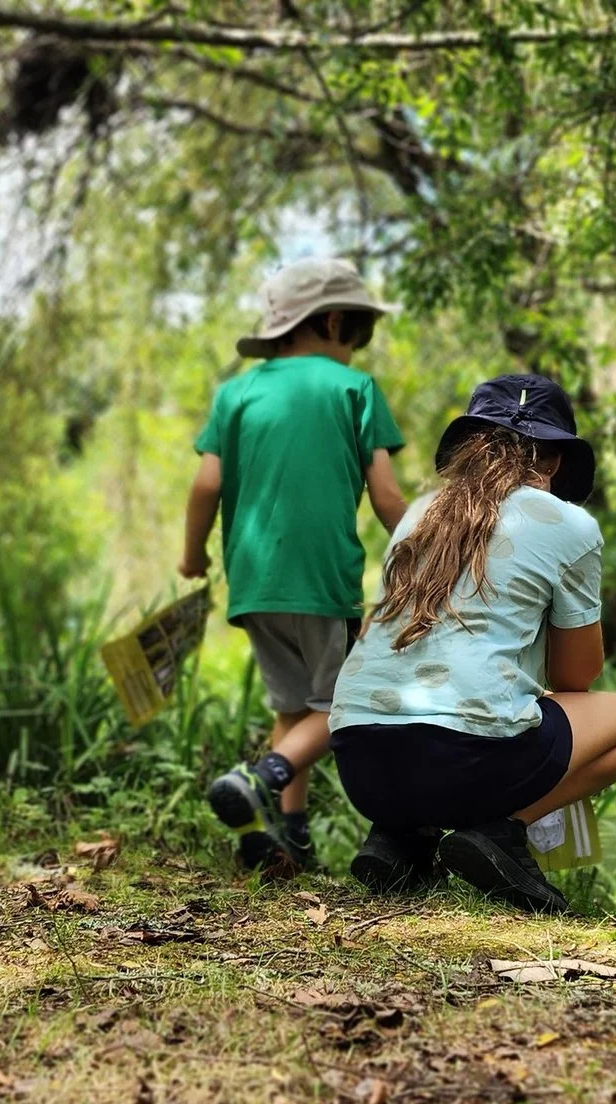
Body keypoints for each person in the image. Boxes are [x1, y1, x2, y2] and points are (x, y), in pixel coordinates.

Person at [328, 374, 616, 913]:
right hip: (465, 761)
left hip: (359, 761)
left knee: (455, 708)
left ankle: (402, 836)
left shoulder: (416, 514)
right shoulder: (571, 524)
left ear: (468, 446)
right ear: (553, 462)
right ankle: (499, 832)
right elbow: (577, 678)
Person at [182, 257, 408, 876]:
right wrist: (435, 550)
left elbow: (206, 485)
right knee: (341, 707)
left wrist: (191, 554)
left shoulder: (237, 392)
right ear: (333, 320)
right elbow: (388, 498)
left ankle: (286, 839)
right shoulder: (352, 389)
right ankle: (263, 778)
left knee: (293, 708)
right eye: (358, 333)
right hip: (323, 580)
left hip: (253, 581)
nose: (357, 349)